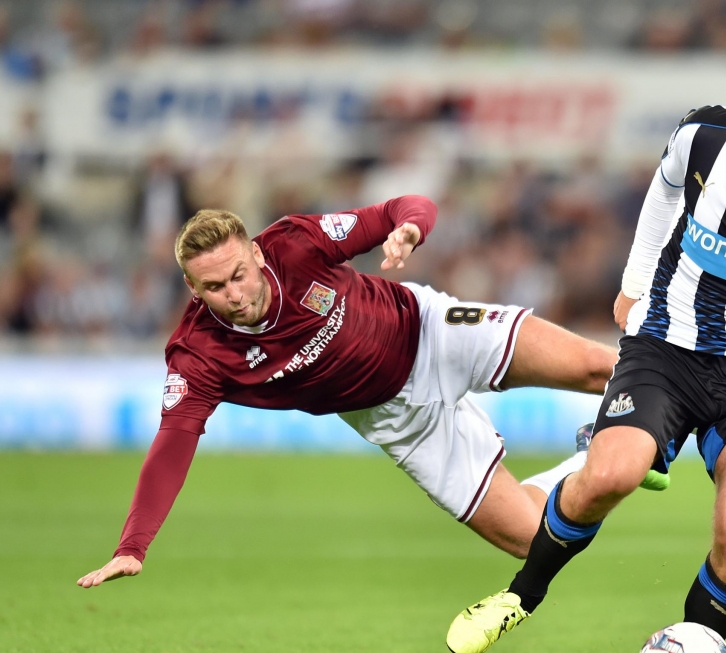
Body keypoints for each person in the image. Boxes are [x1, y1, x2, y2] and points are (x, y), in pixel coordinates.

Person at [447, 22, 726, 653]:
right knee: (611, 473)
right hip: (665, 346)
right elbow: (663, 191)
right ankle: (520, 596)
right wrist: (636, 280)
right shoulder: (701, 136)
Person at [77, 195, 632, 588]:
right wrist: (133, 545)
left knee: (597, 367)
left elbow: (404, 208)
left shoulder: (295, 244)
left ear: (257, 255)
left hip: (433, 331)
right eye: (215, 287)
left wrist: (409, 230)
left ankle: (699, 403)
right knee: (535, 539)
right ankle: (592, 451)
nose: (235, 293)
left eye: (240, 274)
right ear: (192, 288)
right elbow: (173, 443)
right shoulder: (197, 353)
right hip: (397, 421)